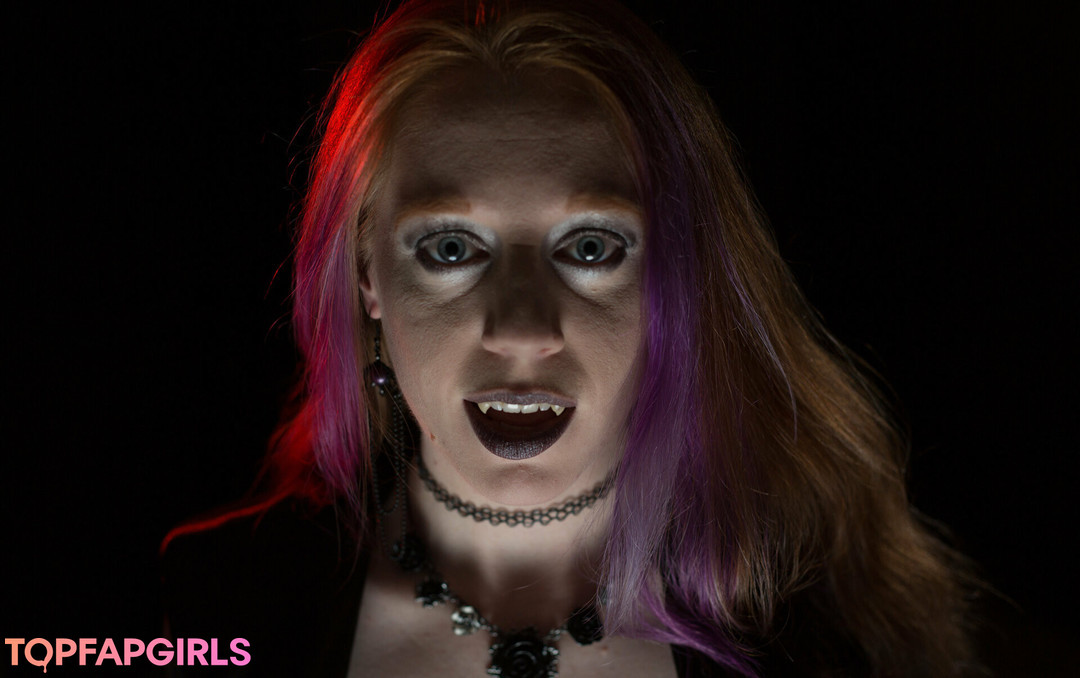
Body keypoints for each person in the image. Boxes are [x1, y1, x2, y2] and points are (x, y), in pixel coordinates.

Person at [162, 1, 976, 676]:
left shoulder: (829, 631)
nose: (522, 330)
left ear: (678, 278)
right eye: (450, 249)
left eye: (589, 248)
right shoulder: (211, 609)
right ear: (366, 276)